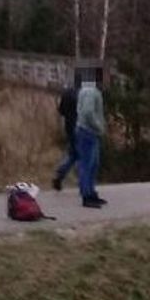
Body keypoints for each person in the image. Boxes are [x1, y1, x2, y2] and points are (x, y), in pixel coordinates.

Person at [75, 71, 107, 208]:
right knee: (87, 165)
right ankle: (86, 196)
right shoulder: (91, 91)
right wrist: (98, 126)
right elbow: (88, 112)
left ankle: (91, 192)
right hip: (88, 131)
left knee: (93, 164)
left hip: (88, 131)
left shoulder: (87, 90)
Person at [52, 78, 79, 192]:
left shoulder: (66, 93)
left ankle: (60, 175)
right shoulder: (81, 94)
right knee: (82, 155)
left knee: (73, 154)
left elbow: (61, 111)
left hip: (68, 126)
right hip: (79, 126)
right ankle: (84, 181)